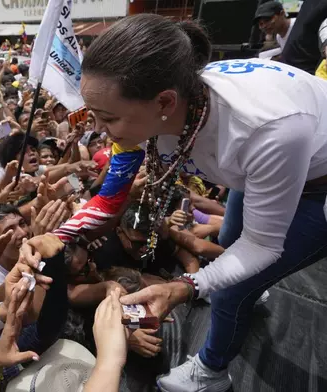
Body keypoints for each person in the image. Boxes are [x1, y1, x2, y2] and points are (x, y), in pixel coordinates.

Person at [22, 13, 327, 392]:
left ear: (164, 102)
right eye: (94, 115)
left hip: (321, 186)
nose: (99, 130)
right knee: (230, 241)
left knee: (231, 288)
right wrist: (57, 236)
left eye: (108, 118)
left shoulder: (267, 131)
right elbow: (109, 200)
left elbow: (262, 245)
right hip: (259, 174)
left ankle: (212, 371)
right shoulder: (160, 103)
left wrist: (183, 287)